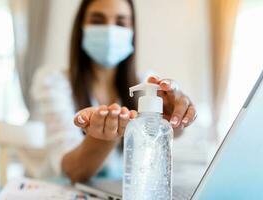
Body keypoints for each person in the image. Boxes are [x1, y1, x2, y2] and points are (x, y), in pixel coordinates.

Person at [31, 0, 197, 183]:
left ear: (132, 30)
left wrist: (175, 118)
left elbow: (172, 133)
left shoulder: (146, 83)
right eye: (97, 20)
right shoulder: (55, 83)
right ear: (81, 28)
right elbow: (72, 170)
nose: (110, 31)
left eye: (120, 23)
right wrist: (104, 136)